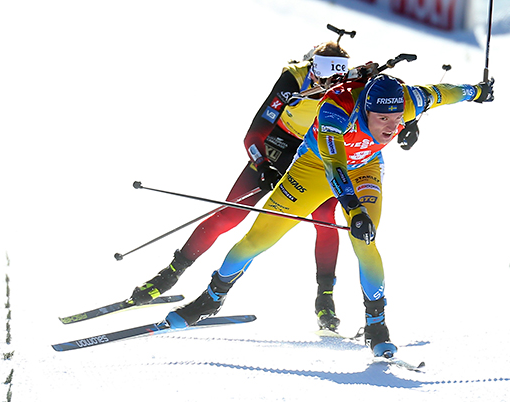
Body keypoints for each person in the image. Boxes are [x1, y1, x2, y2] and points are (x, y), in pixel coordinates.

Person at [164, 72, 495, 358]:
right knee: (259, 237)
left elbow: (449, 93)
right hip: (316, 167)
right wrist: (353, 208)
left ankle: (377, 326)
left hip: (365, 167)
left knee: (364, 239)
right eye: (383, 120)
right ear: (366, 108)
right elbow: (334, 165)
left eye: (397, 120)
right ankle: (212, 298)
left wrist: (477, 92)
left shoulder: (410, 100)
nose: (392, 127)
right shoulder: (337, 109)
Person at [128, 41, 353, 331]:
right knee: (230, 214)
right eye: (322, 72)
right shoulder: (293, 79)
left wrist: (409, 122)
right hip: (278, 144)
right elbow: (253, 135)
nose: (330, 82)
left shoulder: (349, 85)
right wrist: (263, 166)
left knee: (324, 220)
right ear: (312, 66)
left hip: (314, 154)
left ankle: (325, 298)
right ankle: (172, 272)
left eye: (339, 75)